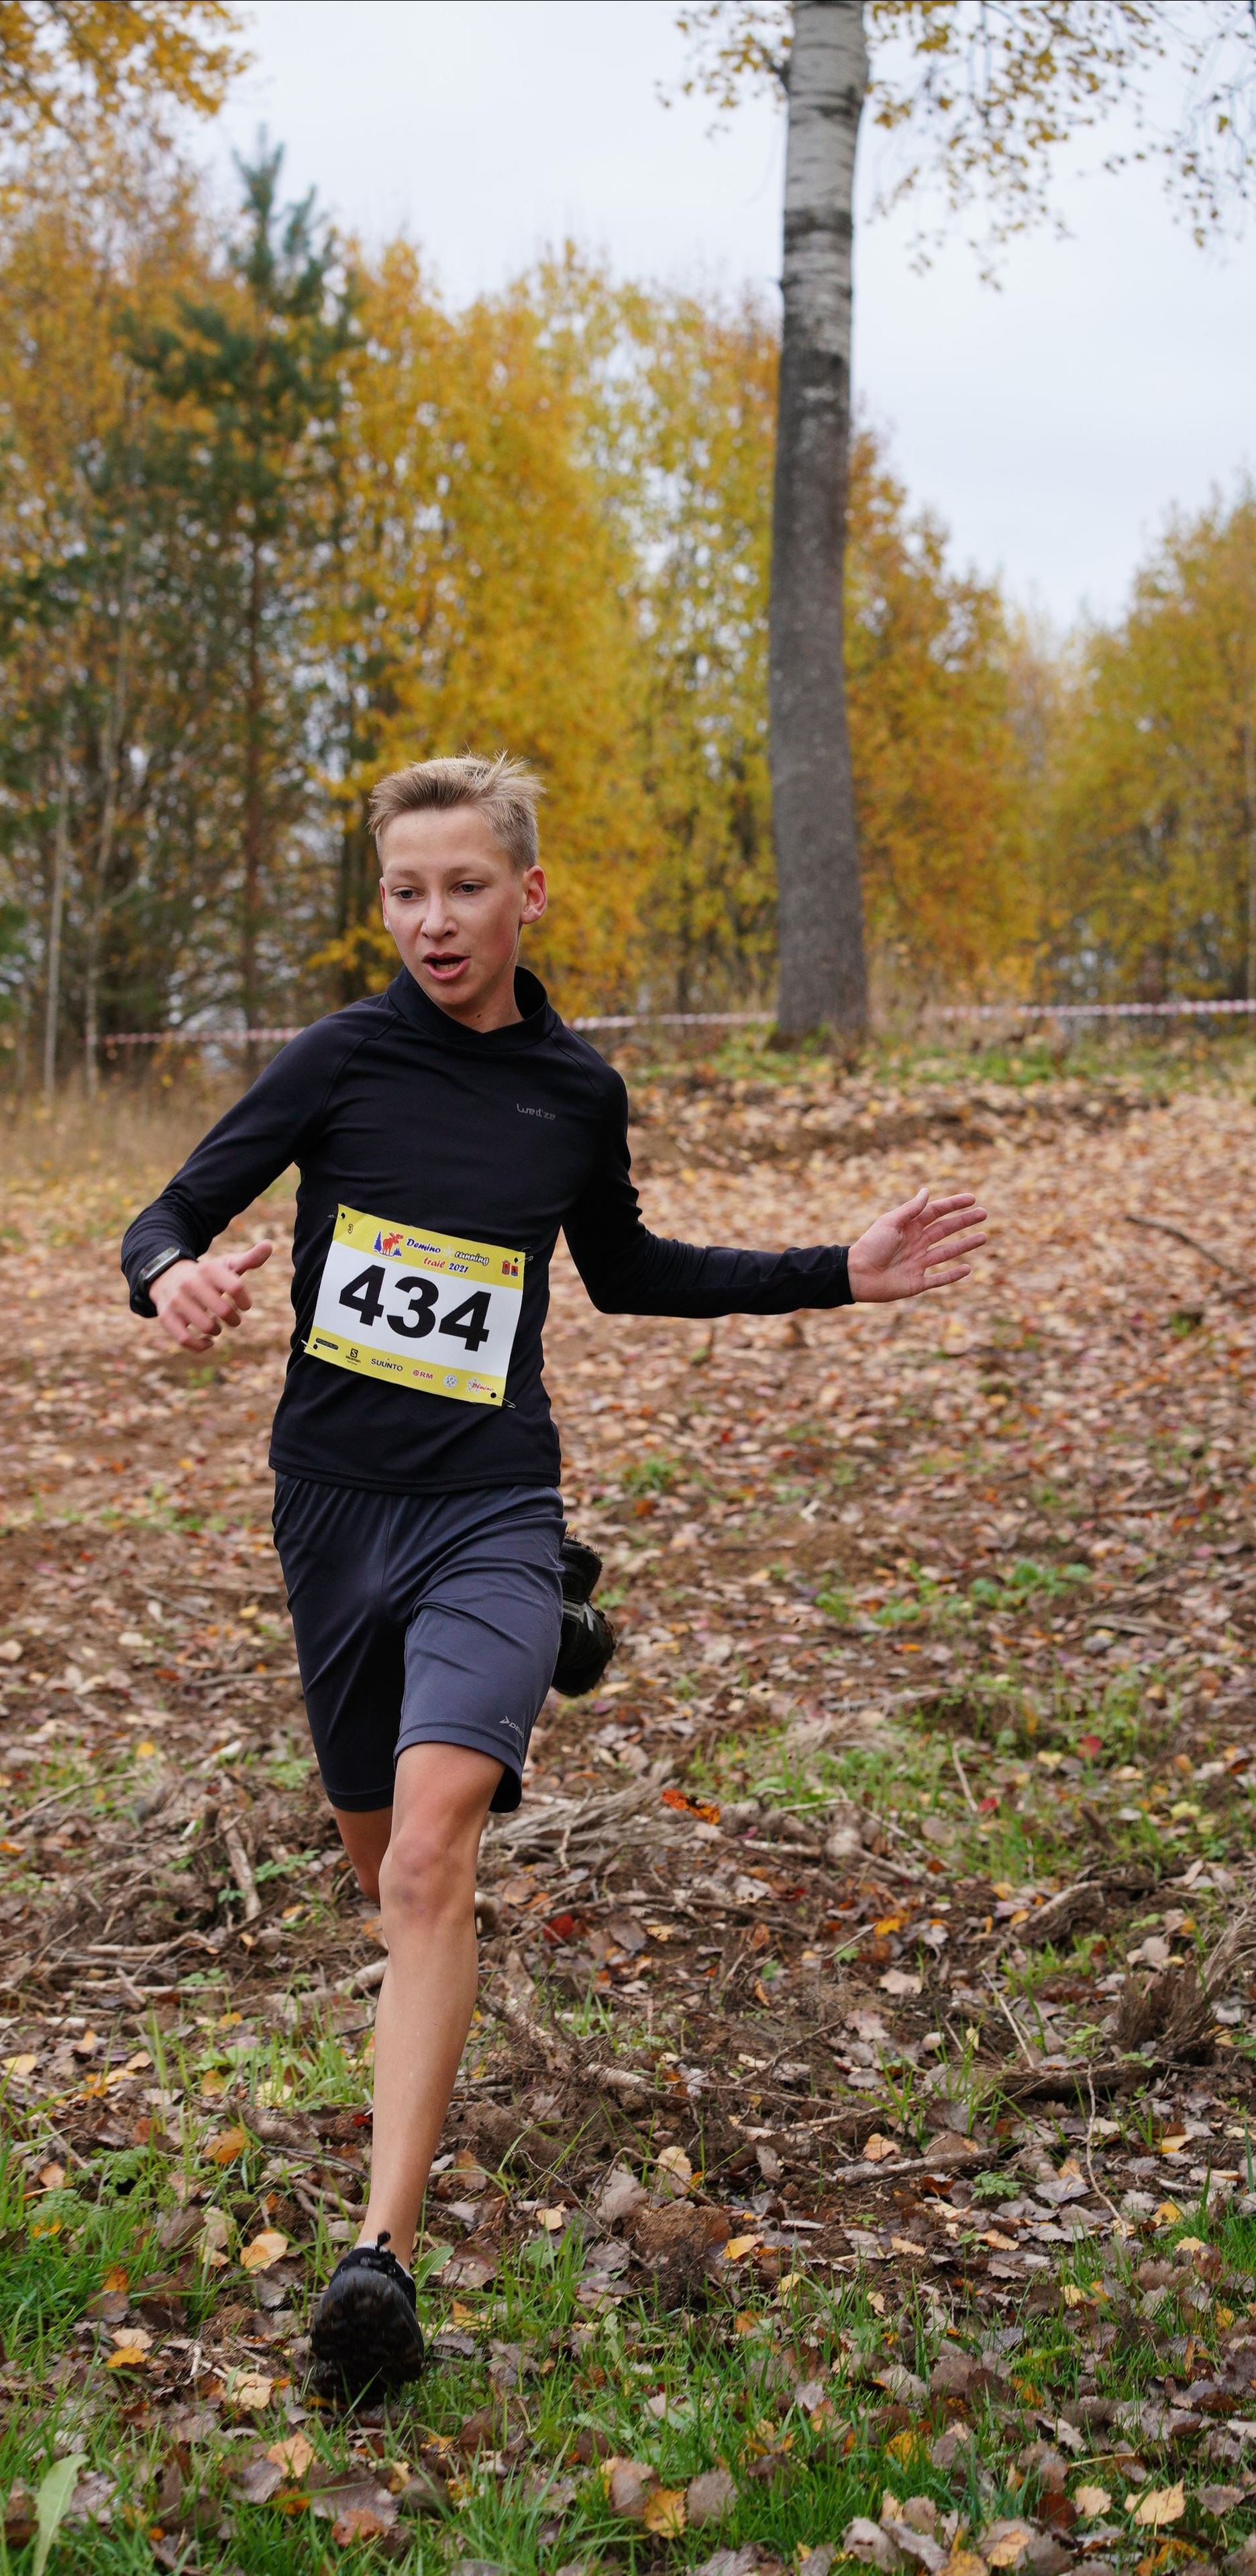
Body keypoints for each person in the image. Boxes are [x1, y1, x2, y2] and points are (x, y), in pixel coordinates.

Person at [119, 755, 987, 2387]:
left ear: (526, 894)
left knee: (434, 1854)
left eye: (461, 886)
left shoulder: (571, 1091)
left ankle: (375, 2258)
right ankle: (532, 1641)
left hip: (486, 1494)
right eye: (402, 891)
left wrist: (836, 1273)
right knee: (377, 1873)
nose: (430, 920)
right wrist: (170, 1278)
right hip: (328, 1510)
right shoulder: (337, 1063)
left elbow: (632, 1270)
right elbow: (164, 1214)